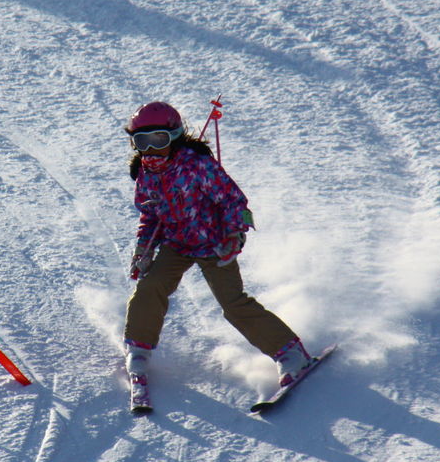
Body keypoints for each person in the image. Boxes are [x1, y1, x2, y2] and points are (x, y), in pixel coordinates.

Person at [121, 100, 315, 412]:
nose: (151, 150)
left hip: (213, 241)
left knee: (232, 302)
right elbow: (150, 215)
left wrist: (234, 235)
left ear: (175, 136)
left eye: (158, 139)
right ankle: (138, 352)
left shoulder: (197, 165)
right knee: (149, 287)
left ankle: (291, 354)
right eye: (142, 141)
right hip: (176, 243)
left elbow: (233, 201)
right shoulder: (145, 174)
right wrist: (144, 250)